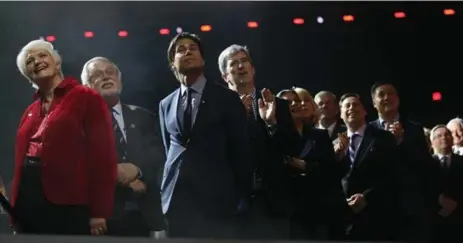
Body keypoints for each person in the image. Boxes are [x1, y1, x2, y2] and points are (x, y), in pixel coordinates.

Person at [10, 39, 118, 235]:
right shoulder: (30, 111)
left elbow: (103, 157)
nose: (36, 61)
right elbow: (19, 162)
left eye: (43, 55)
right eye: (29, 61)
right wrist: (15, 212)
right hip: (29, 200)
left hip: (70, 201)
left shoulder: (86, 97)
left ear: (57, 62)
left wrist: (99, 211)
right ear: (28, 75)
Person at [159, 33, 253, 238]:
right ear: (172, 63)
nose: (187, 51)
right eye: (180, 50)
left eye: (193, 47)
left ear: (203, 59)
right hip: (177, 202)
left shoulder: (227, 98)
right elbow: (169, 151)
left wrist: (239, 198)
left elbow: (241, 151)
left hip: (218, 202)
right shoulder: (165, 104)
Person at [217, 44, 298, 240]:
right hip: (233, 204)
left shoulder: (277, 104)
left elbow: (293, 146)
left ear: (253, 69)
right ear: (225, 76)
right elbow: (215, 151)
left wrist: (271, 123)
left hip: (273, 202)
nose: (240, 66)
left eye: (244, 61)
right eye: (233, 64)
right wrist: (238, 121)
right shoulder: (217, 108)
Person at [81, 57, 166, 238]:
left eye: (110, 72)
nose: (105, 77)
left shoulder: (143, 116)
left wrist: (137, 170)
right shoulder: (79, 122)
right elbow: (79, 164)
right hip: (101, 218)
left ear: (120, 79)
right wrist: (116, 174)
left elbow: (159, 154)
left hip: (145, 214)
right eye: (97, 74)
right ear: (86, 86)